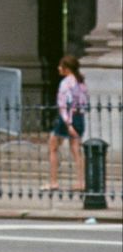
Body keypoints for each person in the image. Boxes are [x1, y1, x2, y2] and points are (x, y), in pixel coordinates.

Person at [48, 55, 90, 192]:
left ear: (66, 69)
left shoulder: (65, 83)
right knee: (76, 149)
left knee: (53, 146)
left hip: (67, 118)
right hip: (79, 117)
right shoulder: (81, 83)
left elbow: (63, 105)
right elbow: (84, 103)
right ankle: (81, 182)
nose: (58, 68)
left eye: (61, 66)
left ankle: (53, 181)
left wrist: (68, 124)